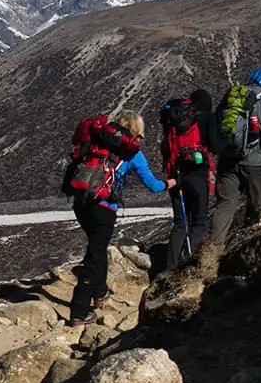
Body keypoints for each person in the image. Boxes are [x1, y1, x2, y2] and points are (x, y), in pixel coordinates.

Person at [69, 110, 174, 325]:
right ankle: (79, 311)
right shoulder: (132, 154)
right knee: (95, 255)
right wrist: (169, 183)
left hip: (82, 204)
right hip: (104, 208)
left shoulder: (97, 144)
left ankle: (99, 292)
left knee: (96, 248)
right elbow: (152, 185)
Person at [209, 69, 261, 243]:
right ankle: (246, 246)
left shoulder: (231, 98)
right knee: (257, 207)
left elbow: (217, 123)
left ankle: (212, 248)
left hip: (228, 159)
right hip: (256, 162)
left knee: (224, 205)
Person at [162, 89, 216, 269]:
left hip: (176, 176)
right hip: (198, 175)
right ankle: (190, 265)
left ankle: (170, 266)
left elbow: (165, 149)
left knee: (179, 223)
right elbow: (215, 146)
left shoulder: (172, 123)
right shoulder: (205, 120)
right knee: (199, 222)